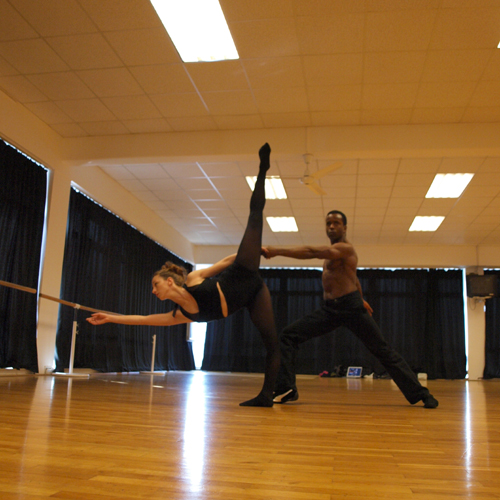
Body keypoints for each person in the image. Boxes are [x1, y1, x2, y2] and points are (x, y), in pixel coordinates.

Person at [87, 143, 280, 407]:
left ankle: (262, 169)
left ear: (169, 281)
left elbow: (224, 263)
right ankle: (267, 397)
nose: (153, 291)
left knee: (254, 218)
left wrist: (252, 251)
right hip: (253, 295)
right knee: (272, 343)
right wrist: (110, 317)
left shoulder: (194, 279)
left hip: (243, 271)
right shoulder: (179, 316)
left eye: (155, 285)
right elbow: (143, 320)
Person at [262, 210, 439, 409]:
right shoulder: (335, 253)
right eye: (328, 223)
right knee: (288, 336)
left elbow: (312, 252)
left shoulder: (345, 248)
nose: (331, 226)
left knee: (383, 351)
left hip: (350, 308)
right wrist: (362, 298)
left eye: (336, 223)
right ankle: (287, 388)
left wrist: (277, 251)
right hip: (330, 310)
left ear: (344, 227)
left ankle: (422, 394)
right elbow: (353, 278)